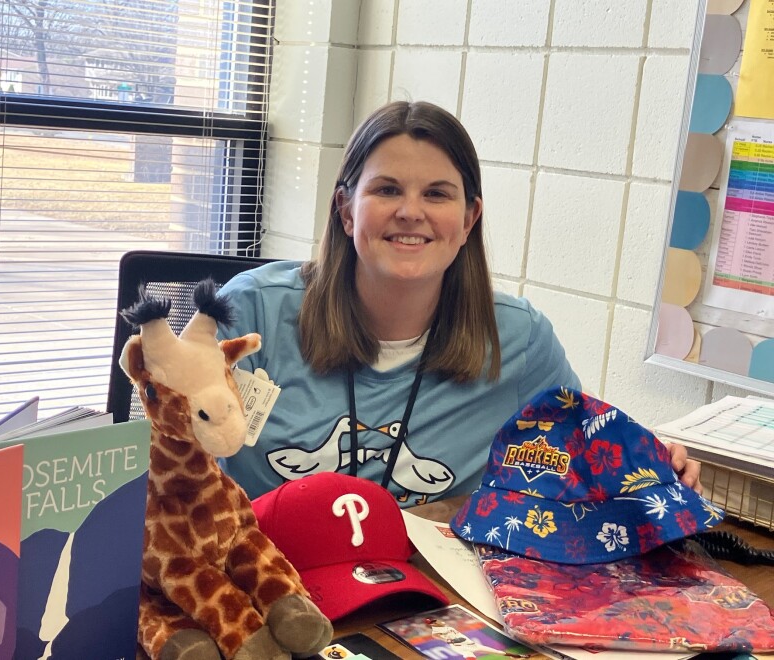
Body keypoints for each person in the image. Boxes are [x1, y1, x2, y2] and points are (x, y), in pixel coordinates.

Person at [217, 100, 701, 505]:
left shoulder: (519, 341)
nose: (411, 212)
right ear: (346, 210)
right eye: (387, 190)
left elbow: (588, 463)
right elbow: (170, 476)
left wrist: (658, 469)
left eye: (437, 194)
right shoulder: (249, 315)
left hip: (425, 604)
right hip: (264, 593)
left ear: (469, 219)